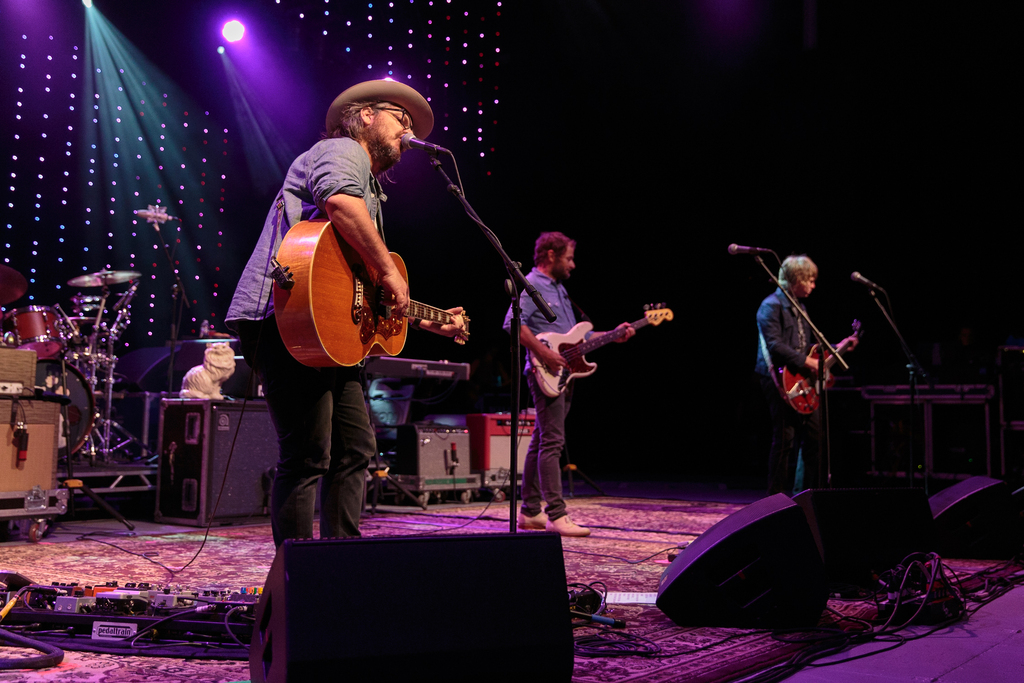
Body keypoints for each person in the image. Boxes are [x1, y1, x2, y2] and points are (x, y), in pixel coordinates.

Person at [226, 80, 467, 546]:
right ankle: (296, 575)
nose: (408, 132)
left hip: (328, 332)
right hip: (289, 317)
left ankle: (340, 563)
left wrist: (431, 318)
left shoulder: (371, 190)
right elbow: (337, 201)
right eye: (401, 119)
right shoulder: (342, 149)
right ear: (366, 116)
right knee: (307, 454)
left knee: (355, 451)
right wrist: (390, 272)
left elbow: (362, 290)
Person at [502, 232, 635, 537]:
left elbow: (576, 337)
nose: (573, 265)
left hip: (564, 372)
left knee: (542, 439)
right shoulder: (532, 284)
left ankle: (530, 511)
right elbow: (512, 325)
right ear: (550, 255)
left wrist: (613, 333)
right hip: (543, 371)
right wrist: (546, 353)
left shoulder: (560, 290)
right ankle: (556, 515)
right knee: (552, 442)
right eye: (569, 258)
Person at [755, 254, 853, 496]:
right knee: (785, 438)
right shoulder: (771, 306)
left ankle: (805, 495)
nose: (813, 285)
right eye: (809, 280)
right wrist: (806, 361)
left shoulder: (801, 308)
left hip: (800, 378)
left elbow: (805, 345)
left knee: (814, 437)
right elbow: (775, 345)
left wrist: (836, 347)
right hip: (777, 379)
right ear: (795, 279)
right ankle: (774, 498)